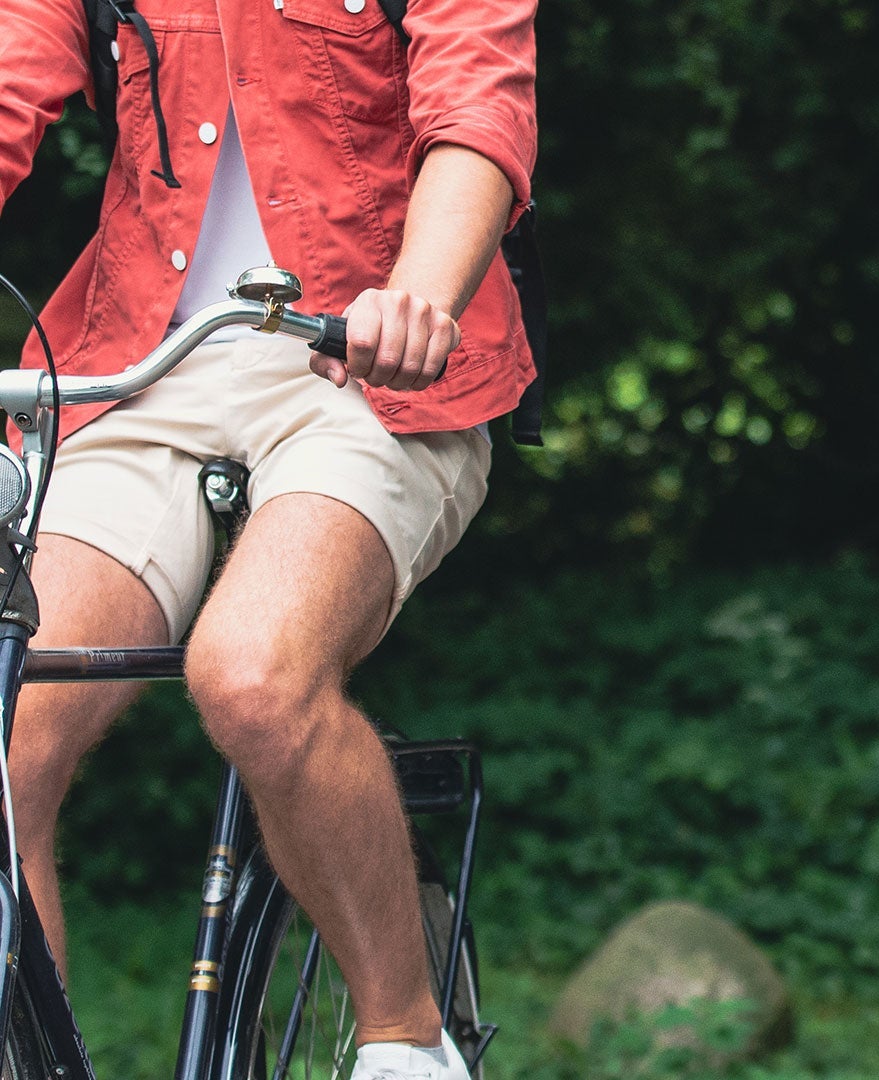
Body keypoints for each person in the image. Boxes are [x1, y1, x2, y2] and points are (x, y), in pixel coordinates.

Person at [0, 2, 536, 1077]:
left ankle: (405, 1041)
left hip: (370, 369)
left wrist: (423, 294)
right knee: (5, 719)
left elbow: (477, 107)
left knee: (254, 676)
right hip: (139, 369)